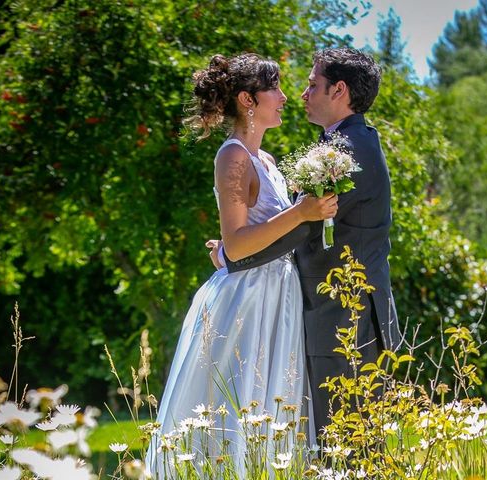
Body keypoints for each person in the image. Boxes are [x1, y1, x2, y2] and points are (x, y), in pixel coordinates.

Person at [146, 53, 337, 476]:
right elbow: (236, 246)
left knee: (273, 401)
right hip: (248, 300)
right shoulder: (232, 157)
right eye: (276, 89)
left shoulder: (266, 161)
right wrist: (302, 213)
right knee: (238, 402)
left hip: (277, 292)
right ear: (249, 99)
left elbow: (255, 237)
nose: (286, 97)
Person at [211, 48, 400, 439]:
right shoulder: (347, 142)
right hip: (322, 311)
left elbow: (303, 228)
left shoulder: (347, 150)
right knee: (336, 442)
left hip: (345, 316)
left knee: (347, 446)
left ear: (339, 90)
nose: (300, 94)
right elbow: (298, 219)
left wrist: (231, 256)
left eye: (313, 84)